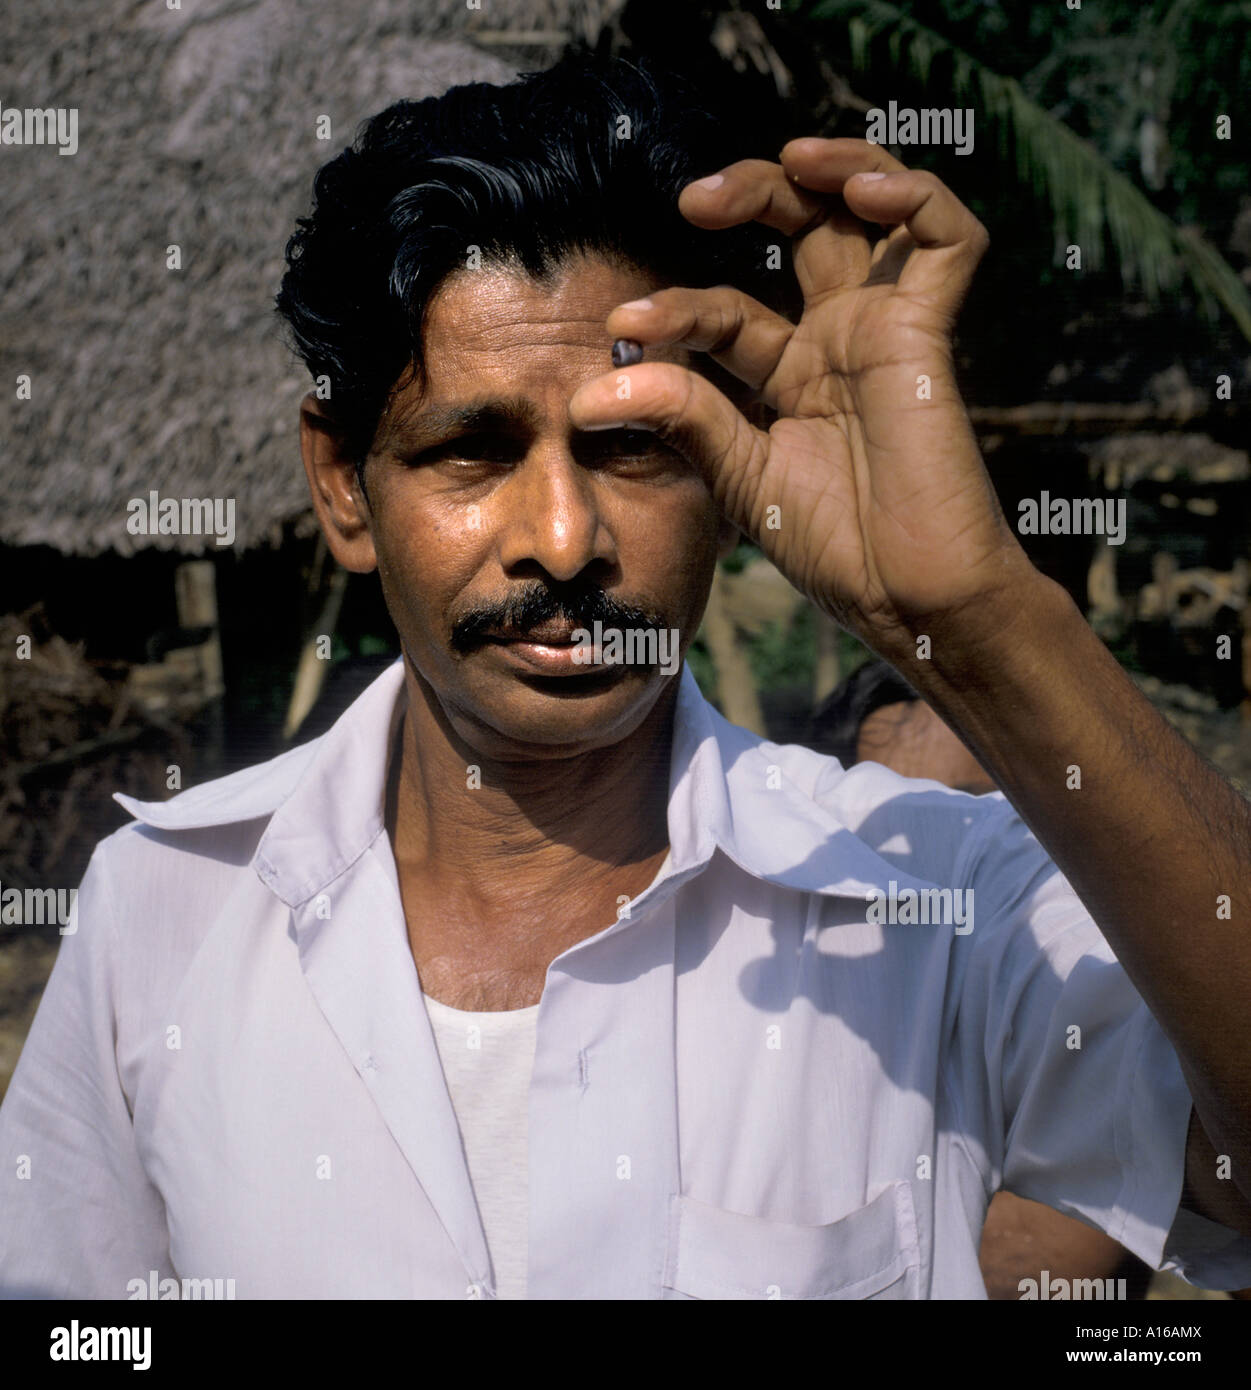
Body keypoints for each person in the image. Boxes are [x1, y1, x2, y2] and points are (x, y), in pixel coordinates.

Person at [2, 52, 1250, 1301]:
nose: (562, 537)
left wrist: (973, 617)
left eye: (634, 443)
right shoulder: (164, 915)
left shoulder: (928, 901)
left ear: (726, 464)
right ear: (343, 484)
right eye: (473, 449)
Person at [809, 661, 1155, 1300]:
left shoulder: (1131, 1016)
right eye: (935, 832)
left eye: (1012, 820)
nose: (990, 860)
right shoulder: (801, 1058)